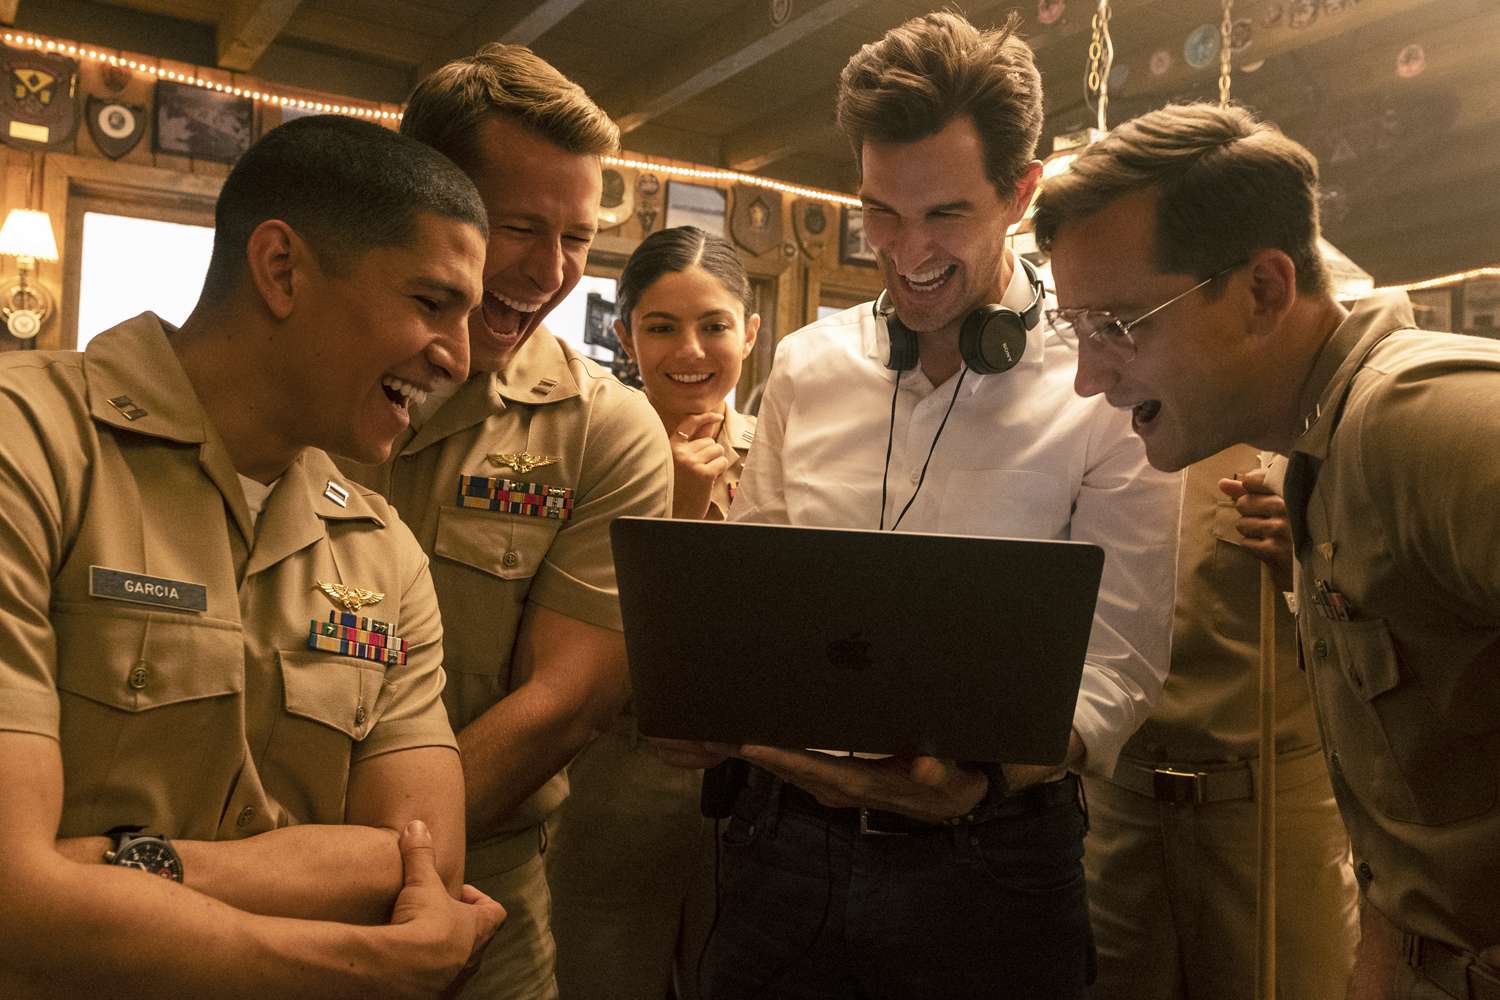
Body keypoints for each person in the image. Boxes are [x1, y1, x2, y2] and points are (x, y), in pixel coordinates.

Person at [655, 13, 1181, 998]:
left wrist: (987, 775)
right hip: (779, 852)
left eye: (944, 214)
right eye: (880, 215)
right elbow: (760, 601)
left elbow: (1121, 663)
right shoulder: (808, 370)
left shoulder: (1103, 385)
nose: (907, 252)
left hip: (993, 868)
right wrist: (715, 705)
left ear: (1020, 193)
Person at [0, 115, 504, 998]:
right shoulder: (29, 449)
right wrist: (358, 956)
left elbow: (421, 860)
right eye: (431, 303)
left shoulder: (382, 552)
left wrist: (127, 865)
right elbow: (12, 897)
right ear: (281, 270)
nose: (459, 357)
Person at [1036, 101, 1500, 1000]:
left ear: (1262, 292)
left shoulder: (1418, 422)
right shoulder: (1330, 455)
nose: (1091, 378)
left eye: (1121, 326)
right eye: (1078, 331)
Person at [342, 44, 673, 1000]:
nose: (550, 271)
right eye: (519, 227)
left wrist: (364, 866)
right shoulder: (314, 375)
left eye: (577, 237)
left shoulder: (603, 428)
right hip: (242, 872)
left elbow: (564, 703)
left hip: (485, 893)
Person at [547, 225, 758, 999]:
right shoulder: (585, 449)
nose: (690, 350)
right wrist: (672, 505)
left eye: (714, 325)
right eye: (661, 327)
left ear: (751, 330)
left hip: (751, 797)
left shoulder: (785, 453)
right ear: (625, 334)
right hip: (609, 785)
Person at [1083, 445, 1359, 999]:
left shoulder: (1308, 432)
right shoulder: (1093, 429)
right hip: (1111, 810)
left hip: (1274, 817)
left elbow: (1398, 630)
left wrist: (1305, 564)